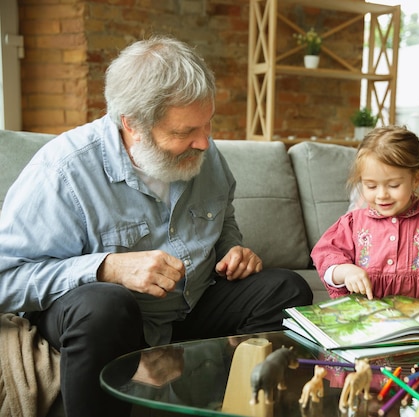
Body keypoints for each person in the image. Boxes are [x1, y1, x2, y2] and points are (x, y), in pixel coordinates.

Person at [0, 36, 313, 417]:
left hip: (188, 311)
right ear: (132, 124)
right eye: (184, 133)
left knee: (286, 289)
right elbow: (6, 280)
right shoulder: (63, 171)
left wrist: (233, 250)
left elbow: (223, 217)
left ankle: (230, 405)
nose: (204, 142)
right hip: (108, 323)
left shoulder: (205, 154)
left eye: (208, 124)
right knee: (105, 304)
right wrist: (106, 267)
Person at [311, 126, 419, 301]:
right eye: (371, 186)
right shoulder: (352, 223)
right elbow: (325, 257)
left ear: (416, 179)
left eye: (393, 185)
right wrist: (346, 272)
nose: (382, 195)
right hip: (368, 318)